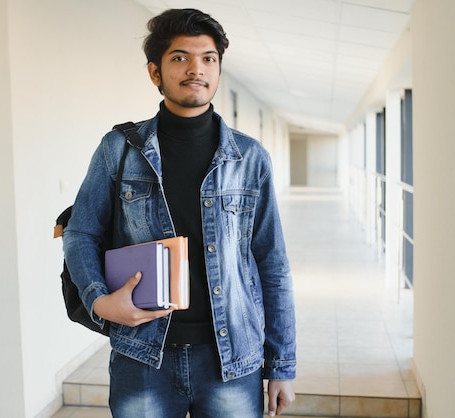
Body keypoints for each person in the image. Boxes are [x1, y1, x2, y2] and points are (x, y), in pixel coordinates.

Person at [62, 8, 296, 418]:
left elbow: (271, 264)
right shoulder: (119, 150)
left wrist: (281, 365)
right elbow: (81, 233)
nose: (196, 69)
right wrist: (99, 302)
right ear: (155, 72)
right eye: (180, 57)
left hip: (232, 360)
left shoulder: (250, 158)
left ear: (219, 70)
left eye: (208, 58)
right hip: (143, 355)